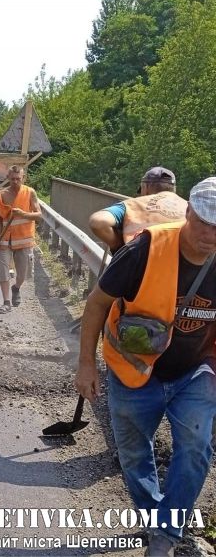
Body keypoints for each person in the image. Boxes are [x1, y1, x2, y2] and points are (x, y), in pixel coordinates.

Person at [76, 177, 216, 557]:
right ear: (188, 211)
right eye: (203, 221)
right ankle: (156, 517)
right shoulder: (146, 248)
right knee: (134, 455)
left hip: (197, 369)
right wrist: (86, 364)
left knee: (197, 445)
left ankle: (166, 536)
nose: (209, 234)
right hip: (133, 368)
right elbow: (96, 304)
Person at [89, 166, 187, 254]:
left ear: (145, 187)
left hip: (141, 266)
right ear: (174, 189)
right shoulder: (190, 207)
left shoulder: (132, 205)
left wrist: (120, 248)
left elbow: (98, 222)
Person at [0, 166, 42, 314]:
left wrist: (24, 214)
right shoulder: (1, 195)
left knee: (23, 275)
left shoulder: (29, 192)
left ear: (23, 178)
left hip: (24, 240)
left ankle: (16, 288)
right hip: (5, 240)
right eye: (12, 179)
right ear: (8, 178)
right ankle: (6, 302)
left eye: (18, 179)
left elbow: (39, 215)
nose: (15, 182)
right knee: (3, 271)